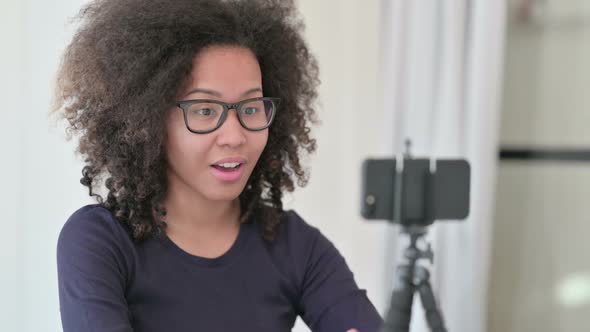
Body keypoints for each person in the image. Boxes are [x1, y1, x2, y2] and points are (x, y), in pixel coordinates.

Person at [52, 0, 383, 331]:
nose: (235, 136)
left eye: (251, 107)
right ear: (149, 122)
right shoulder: (100, 242)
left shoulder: (294, 246)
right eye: (206, 110)